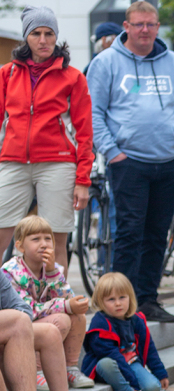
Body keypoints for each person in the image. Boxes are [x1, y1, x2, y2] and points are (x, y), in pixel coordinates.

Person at [87, 0, 174, 323]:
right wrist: (113, 153)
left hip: (169, 163)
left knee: (157, 234)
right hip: (128, 162)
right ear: (126, 27)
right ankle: (117, 306)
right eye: (138, 24)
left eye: (151, 24)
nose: (145, 30)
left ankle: (148, 299)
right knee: (129, 233)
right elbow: (93, 112)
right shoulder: (106, 62)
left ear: (158, 27)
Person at [0, 6, 93, 272]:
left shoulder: (73, 77)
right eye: (36, 33)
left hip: (58, 164)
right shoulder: (7, 74)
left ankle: (60, 306)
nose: (43, 40)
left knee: (54, 241)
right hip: (12, 161)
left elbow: (84, 132)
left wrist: (83, 180)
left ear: (56, 36)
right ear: (26, 38)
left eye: (49, 33)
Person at [2, 216, 92, 391]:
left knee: (78, 316)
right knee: (62, 319)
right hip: (19, 327)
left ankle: (69, 368)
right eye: (36, 239)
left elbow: (67, 298)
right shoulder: (11, 271)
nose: (43, 244)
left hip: (41, 320)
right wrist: (65, 306)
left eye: (47, 238)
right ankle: (36, 370)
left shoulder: (53, 268)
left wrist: (52, 273)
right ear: (20, 246)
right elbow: (27, 311)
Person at [82, 272, 174, 391]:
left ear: (130, 297)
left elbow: (149, 348)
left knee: (152, 387)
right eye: (111, 299)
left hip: (131, 363)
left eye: (122, 297)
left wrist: (160, 373)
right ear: (100, 301)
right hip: (108, 367)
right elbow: (113, 355)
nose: (118, 303)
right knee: (106, 364)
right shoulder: (100, 324)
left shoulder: (136, 320)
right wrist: (134, 384)